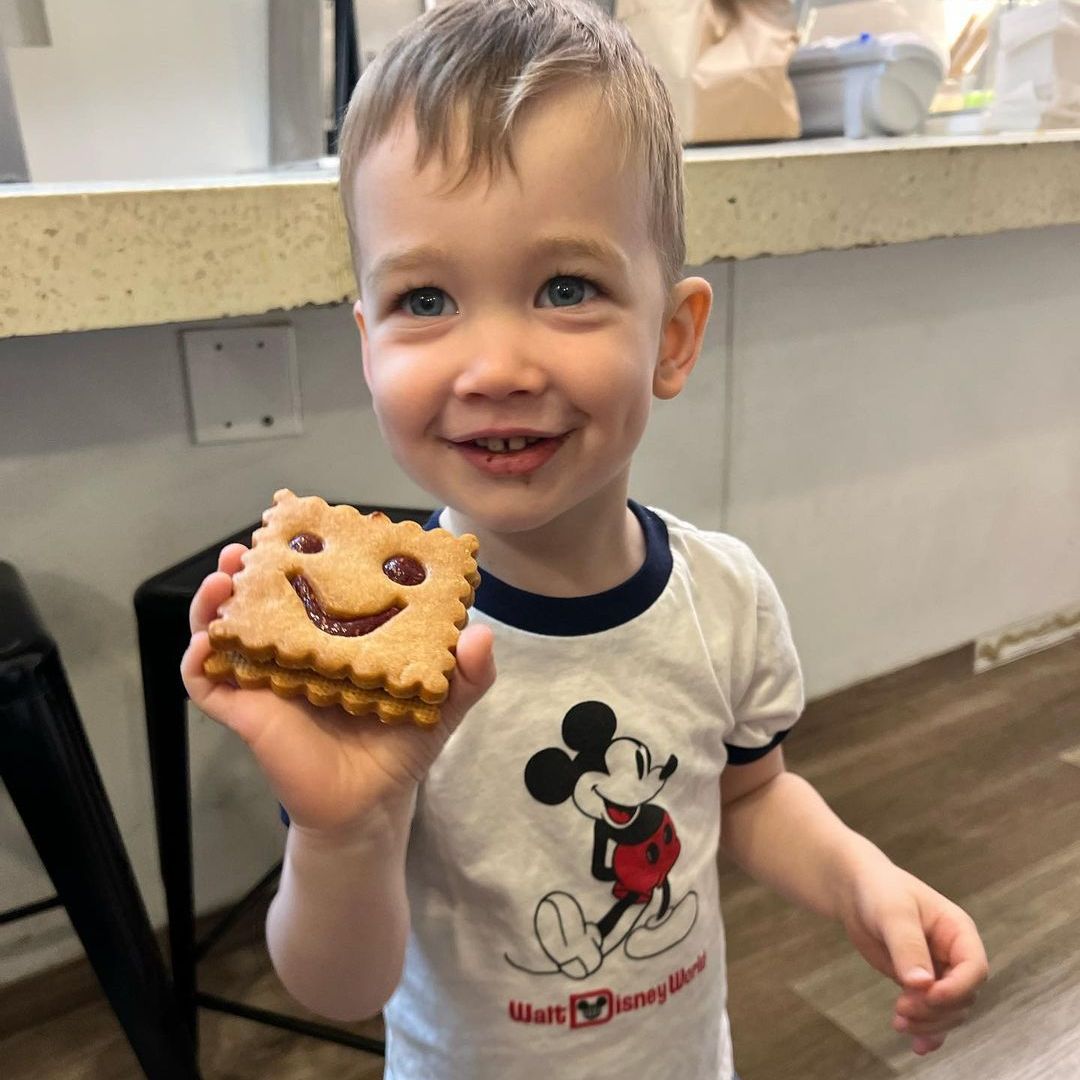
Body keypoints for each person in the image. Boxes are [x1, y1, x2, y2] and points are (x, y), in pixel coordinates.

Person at [181, 1, 988, 1076]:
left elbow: (748, 794)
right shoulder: (376, 646)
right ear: (368, 346)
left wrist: (858, 877)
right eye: (427, 297)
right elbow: (340, 986)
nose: (497, 364)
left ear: (673, 335)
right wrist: (342, 836)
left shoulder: (724, 598)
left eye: (566, 288)